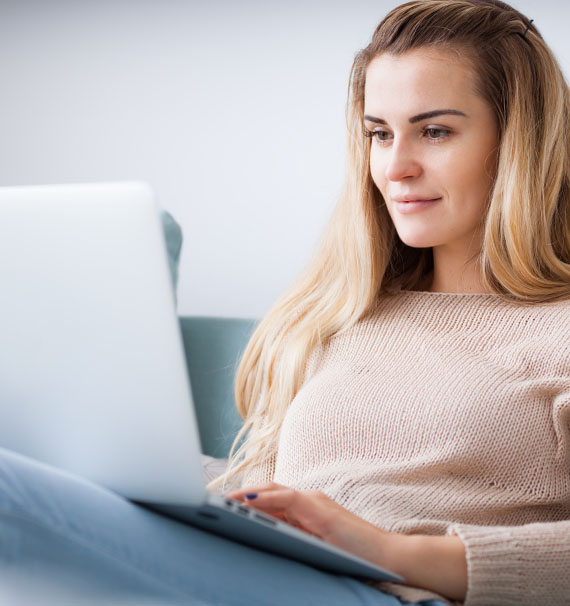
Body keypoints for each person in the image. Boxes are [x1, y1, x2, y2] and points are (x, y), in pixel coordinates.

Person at [1, 1, 568, 605]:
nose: (395, 166)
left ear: (517, 143)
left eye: (434, 131)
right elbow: (280, 493)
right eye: (379, 133)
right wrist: (139, 475)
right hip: (281, 575)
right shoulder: (345, 313)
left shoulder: (556, 330)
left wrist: (388, 550)